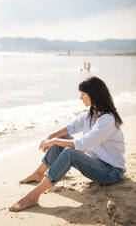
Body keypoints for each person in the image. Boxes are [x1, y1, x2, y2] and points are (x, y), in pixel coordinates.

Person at [9, 76, 126, 212]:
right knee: (62, 138)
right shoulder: (92, 112)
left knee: (69, 152)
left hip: (110, 172)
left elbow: (83, 143)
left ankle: (34, 196)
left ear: (93, 95)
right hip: (96, 162)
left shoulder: (107, 119)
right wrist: (52, 136)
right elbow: (71, 127)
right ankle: (39, 174)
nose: (80, 98)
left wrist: (54, 141)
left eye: (83, 94)